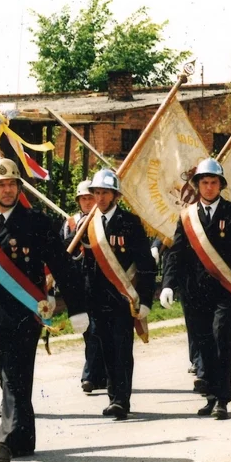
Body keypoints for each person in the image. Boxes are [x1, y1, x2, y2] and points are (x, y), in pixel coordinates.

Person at [0, 156, 83, 462]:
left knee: (14, 372)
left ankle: (6, 439)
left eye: (12, 184)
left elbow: (62, 266)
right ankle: (25, 440)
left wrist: (77, 308)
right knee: (10, 375)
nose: (7, 190)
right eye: (0, 185)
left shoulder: (36, 222)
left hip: (27, 312)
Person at [161, 158, 231, 418]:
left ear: (221, 185)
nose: (209, 187)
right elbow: (176, 253)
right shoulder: (187, 216)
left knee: (222, 341)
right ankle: (211, 396)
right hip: (194, 292)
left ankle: (223, 399)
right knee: (203, 344)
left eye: (214, 182)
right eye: (204, 182)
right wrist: (168, 285)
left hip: (225, 292)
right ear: (197, 185)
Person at [82, 169, 155, 420]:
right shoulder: (87, 224)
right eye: (96, 193)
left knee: (122, 348)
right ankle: (113, 396)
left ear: (115, 195)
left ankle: (122, 400)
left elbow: (145, 264)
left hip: (123, 299)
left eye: (104, 193)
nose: (100, 198)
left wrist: (145, 299)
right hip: (96, 299)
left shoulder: (130, 223)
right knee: (105, 349)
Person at [61, 179, 107, 394]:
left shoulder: (102, 220)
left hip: (100, 281)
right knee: (88, 330)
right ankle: (99, 373)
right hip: (78, 282)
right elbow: (63, 250)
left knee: (97, 328)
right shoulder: (70, 223)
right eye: (84, 198)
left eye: (90, 197)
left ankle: (89, 374)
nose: (87, 202)